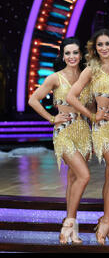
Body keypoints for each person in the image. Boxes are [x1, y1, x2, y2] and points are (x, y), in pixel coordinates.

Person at [67, 29, 109, 246]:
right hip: (102, 128)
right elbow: (71, 97)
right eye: (100, 45)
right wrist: (92, 116)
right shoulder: (90, 70)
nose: (104, 48)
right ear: (95, 48)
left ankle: (108, 226)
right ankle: (105, 220)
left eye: (108, 44)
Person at [28, 37, 92, 245]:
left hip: (83, 130)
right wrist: (52, 118)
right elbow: (33, 99)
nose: (71, 57)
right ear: (62, 56)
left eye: (75, 53)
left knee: (74, 179)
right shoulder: (55, 77)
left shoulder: (87, 76)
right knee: (84, 176)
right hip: (63, 131)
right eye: (68, 53)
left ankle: (71, 228)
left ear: (81, 54)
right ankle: (68, 223)